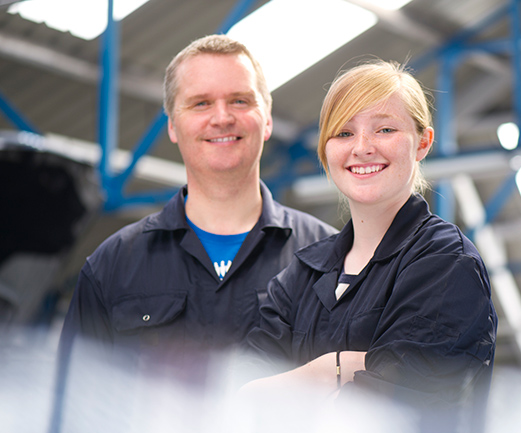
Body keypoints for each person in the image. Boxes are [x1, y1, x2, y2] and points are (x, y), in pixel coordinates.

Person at [59, 34, 337, 356]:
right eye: (201, 103)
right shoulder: (112, 266)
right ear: (173, 126)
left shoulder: (329, 261)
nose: (221, 117)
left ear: (268, 119)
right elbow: (76, 399)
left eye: (240, 101)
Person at [245, 60, 497, 408]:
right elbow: (242, 401)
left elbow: (387, 415)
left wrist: (294, 388)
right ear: (326, 149)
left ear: (423, 143)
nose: (362, 147)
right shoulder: (300, 277)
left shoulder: (444, 263)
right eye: (344, 133)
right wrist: (333, 369)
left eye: (384, 130)